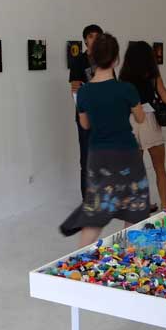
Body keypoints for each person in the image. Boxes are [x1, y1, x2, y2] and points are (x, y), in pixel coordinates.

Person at [60, 33, 151, 247]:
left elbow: (85, 125)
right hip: (127, 154)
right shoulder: (127, 89)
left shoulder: (84, 92)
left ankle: (80, 259)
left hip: (98, 155)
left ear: (92, 57)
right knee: (135, 209)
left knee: (96, 211)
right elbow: (140, 118)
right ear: (116, 59)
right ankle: (129, 258)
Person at [119, 41, 166, 211]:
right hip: (150, 121)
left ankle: (140, 205)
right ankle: (165, 205)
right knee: (160, 168)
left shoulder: (123, 79)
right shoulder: (153, 76)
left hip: (130, 122)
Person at [69, 24, 104, 199]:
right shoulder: (79, 61)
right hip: (86, 117)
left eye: (97, 36)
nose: (94, 40)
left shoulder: (106, 61)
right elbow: (75, 90)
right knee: (87, 159)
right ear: (85, 40)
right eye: (90, 36)